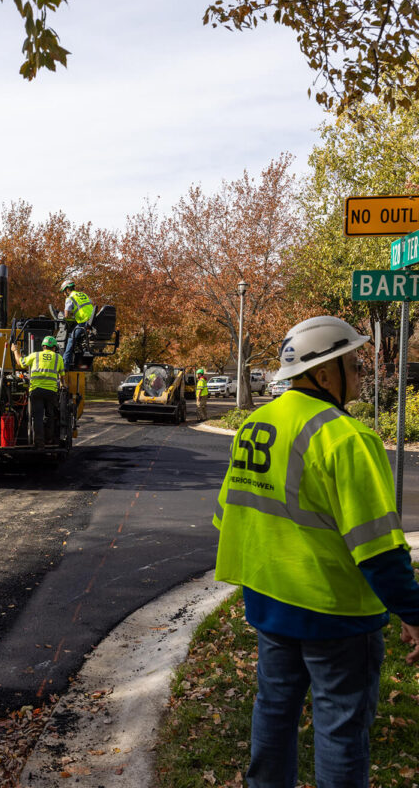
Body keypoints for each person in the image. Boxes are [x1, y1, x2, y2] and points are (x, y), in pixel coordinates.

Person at [212, 315, 419, 787]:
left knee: (273, 713)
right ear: (325, 374)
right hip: (336, 613)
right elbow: (379, 550)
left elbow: (231, 515)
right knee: (341, 730)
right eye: (356, 364)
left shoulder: (257, 423)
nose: (363, 374)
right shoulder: (346, 437)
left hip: (270, 602)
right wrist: (413, 612)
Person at [12, 335, 65, 450]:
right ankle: (49, 439)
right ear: (54, 348)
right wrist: (62, 384)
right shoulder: (58, 358)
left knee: (37, 418)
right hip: (51, 392)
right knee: (50, 415)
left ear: (43, 347)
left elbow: (20, 363)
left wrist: (15, 350)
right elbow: (61, 375)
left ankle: (39, 443)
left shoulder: (35, 355)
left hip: (36, 391)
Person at [60, 279, 94, 370]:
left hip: (84, 321)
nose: (64, 294)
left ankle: (65, 366)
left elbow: (66, 315)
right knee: (80, 341)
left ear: (67, 290)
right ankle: (80, 363)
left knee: (71, 340)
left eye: (64, 292)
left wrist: (67, 319)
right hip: (93, 321)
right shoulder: (84, 295)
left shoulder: (70, 298)